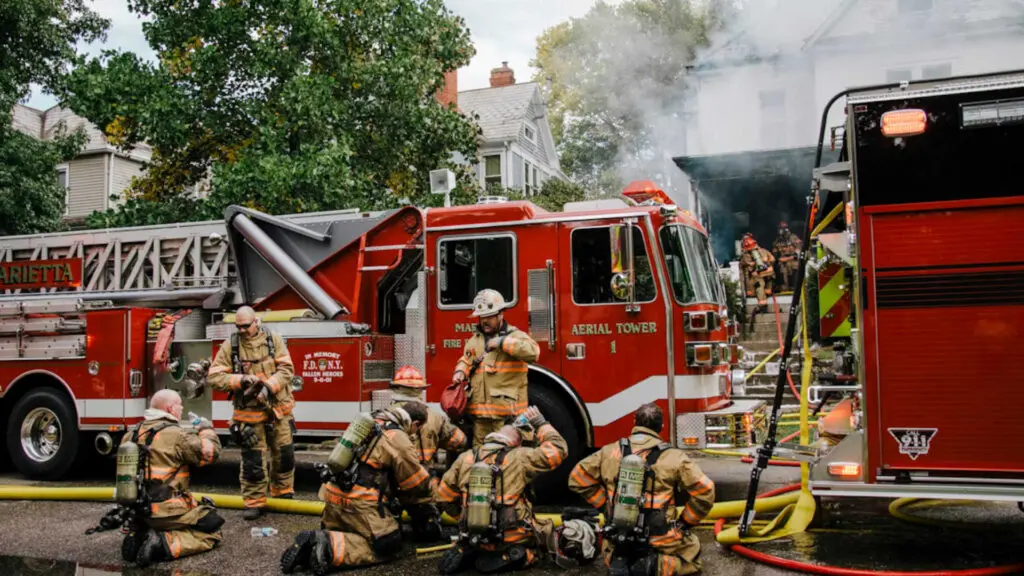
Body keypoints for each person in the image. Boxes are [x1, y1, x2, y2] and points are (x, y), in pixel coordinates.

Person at [280, 403, 433, 575]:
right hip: (360, 505)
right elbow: (416, 484)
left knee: (351, 532)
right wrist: (429, 501)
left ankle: (312, 546)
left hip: (332, 500)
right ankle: (330, 547)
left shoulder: (368, 423)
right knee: (389, 545)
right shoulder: (397, 438)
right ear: (415, 424)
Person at [568, 403, 715, 576]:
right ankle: (653, 566)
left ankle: (618, 561)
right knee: (694, 557)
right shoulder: (675, 457)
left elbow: (577, 478)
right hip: (661, 540)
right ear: (661, 427)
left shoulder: (609, 451)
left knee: (611, 552)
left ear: (634, 422)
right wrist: (686, 522)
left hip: (617, 537)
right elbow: (706, 490)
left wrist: (606, 508)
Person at [435, 406, 568, 574]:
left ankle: (470, 552)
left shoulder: (466, 457)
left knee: (475, 543)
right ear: (515, 443)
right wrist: (541, 423)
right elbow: (558, 450)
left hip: (474, 535)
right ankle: (515, 556)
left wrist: (465, 517)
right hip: (511, 537)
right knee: (539, 541)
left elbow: (443, 496)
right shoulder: (519, 456)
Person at [206, 305, 297, 520]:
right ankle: (255, 503)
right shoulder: (231, 345)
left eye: (246, 326)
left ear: (256, 322)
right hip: (249, 416)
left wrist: (268, 387)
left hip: (279, 411)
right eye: (238, 327)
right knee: (253, 461)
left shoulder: (273, 340)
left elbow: (287, 370)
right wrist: (240, 380)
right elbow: (214, 377)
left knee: (284, 456)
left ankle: (283, 496)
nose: (243, 330)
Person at [122, 389, 225, 567]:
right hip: (167, 512)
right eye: (179, 405)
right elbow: (211, 453)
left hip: (137, 510)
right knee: (212, 528)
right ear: (170, 409)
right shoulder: (177, 435)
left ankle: (139, 535)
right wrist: (205, 429)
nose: (182, 408)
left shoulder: (131, 434)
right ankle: (163, 544)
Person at [389, 364, 468, 542]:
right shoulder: (434, 417)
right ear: (421, 390)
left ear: (395, 388)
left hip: (393, 489)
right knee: (430, 534)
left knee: (388, 537)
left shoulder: (386, 416)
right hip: (423, 490)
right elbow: (459, 442)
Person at [452, 289, 539, 447]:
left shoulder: (514, 335)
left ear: (501, 314)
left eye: (490, 316)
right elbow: (466, 360)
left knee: (506, 461)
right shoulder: (475, 340)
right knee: (480, 460)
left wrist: (503, 343)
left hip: (507, 418)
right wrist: (460, 371)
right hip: (480, 417)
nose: (485, 321)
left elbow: (533, 352)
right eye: (482, 317)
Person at [739, 235, 775, 311]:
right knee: (763, 284)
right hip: (766, 273)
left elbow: (748, 268)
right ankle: (767, 292)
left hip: (758, 275)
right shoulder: (763, 251)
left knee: (758, 285)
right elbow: (772, 259)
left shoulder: (746, 255)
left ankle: (762, 303)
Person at [772, 222, 802, 292]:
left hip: (794, 260)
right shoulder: (776, 241)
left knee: (794, 266)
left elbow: (800, 252)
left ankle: (795, 288)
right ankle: (784, 288)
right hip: (782, 262)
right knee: (780, 269)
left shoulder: (793, 238)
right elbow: (776, 256)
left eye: (781, 229)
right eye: (779, 229)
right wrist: (780, 259)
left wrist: (789, 258)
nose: (779, 231)